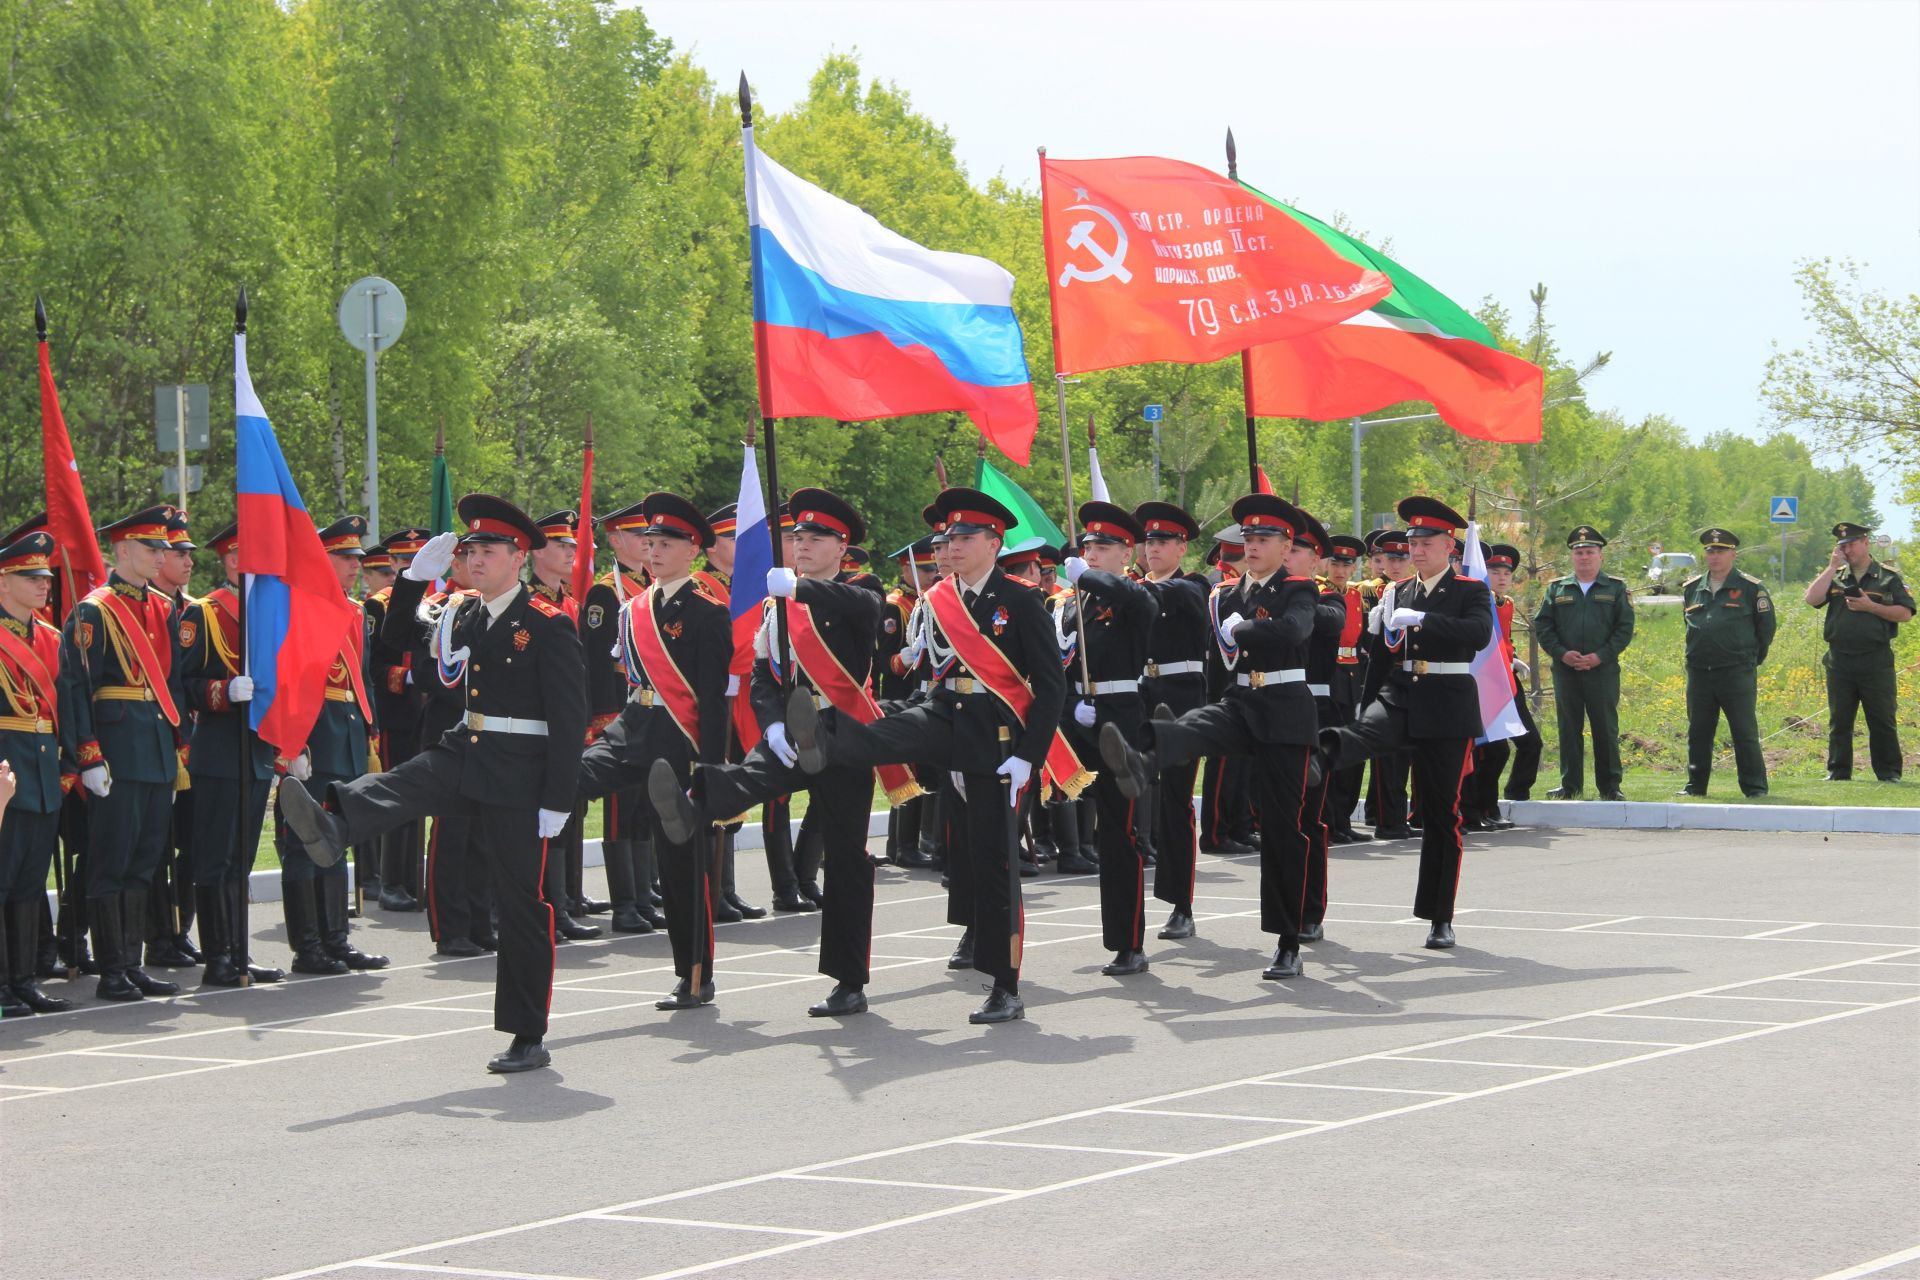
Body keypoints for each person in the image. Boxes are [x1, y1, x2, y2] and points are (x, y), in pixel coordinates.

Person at [278, 494, 587, 1074]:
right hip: (465, 746)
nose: (474, 559)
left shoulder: (546, 623)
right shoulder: (460, 612)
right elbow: (399, 643)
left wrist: (557, 799)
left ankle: (527, 1033)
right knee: (405, 781)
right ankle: (333, 823)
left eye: (488, 550)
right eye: (468, 550)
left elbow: (570, 717)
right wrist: (415, 581)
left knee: (520, 903)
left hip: (521, 769)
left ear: (518, 556)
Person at [781, 487, 1070, 1024]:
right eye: (947, 538)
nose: (951, 546)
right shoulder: (941, 598)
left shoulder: (1022, 599)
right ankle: (821, 740)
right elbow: (933, 672)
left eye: (963, 538)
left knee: (993, 862)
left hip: (995, 736)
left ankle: (1003, 985)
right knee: (879, 735)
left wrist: (1030, 756)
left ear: (992, 541)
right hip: (943, 715)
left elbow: (1051, 686)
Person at [653, 489, 907, 1016]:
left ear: (842, 547)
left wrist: (804, 589)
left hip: (844, 729)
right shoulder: (778, 599)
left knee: (845, 857)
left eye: (815, 538)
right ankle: (696, 801)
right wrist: (769, 725)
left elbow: (863, 608)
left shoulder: (861, 589)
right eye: (796, 537)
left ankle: (848, 979)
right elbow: (765, 674)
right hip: (791, 728)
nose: (803, 545)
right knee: (740, 779)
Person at [1100, 493, 1318, 981]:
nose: (1253, 545)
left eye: (1264, 538)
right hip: (1239, 701)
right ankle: (1144, 756)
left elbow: (1293, 632)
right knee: (1190, 728)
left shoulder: (1298, 588)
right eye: (1249, 538)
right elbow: (1219, 661)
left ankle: (1287, 940)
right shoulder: (1228, 594)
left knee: (1283, 830)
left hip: (1284, 710)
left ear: (1286, 546)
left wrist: (1247, 632)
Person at [568, 492, 731, 1011]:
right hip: (632, 724)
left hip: (678, 741)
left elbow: (714, 699)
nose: (653, 551)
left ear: (693, 551)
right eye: (649, 541)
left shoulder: (708, 613)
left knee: (681, 864)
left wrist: (709, 766)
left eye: (665, 543)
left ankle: (694, 973)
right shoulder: (634, 608)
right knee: (565, 780)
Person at [1308, 496, 1492, 950]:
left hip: (1447, 703)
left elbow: (1478, 635)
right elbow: (1384, 657)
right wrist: (1363, 705)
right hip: (1401, 694)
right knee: (1358, 737)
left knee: (1440, 814)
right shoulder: (1397, 591)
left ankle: (1440, 915)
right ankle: (1319, 756)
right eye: (1413, 542)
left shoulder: (1469, 589)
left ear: (1449, 545)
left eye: (1426, 542)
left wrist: (1426, 619)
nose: (1417, 550)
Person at [57, 504, 187, 1002]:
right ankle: (111, 967)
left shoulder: (163, 607)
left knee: (146, 858)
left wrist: (179, 747)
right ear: (123, 550)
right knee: (110, 858)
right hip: (115, 749)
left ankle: (131, 963)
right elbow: (75, 687)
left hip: (154, 749)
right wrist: (87, 755)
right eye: (153, 549)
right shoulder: (94, 610)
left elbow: (171, 685)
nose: (162, 556)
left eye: (164, 549)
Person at [276, 515, 388, 975]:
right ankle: (308, 946)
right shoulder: (298, 606)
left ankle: (336, 939)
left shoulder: (354, 611)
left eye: (357, 559)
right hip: (313, 735)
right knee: (304, 841)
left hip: (344, 733)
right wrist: (292, 741)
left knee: (336, 839)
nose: (354, 567)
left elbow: (362, 679)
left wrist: (370, 731)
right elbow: (288, 677)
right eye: (344, 558)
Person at [176, 522, 286, 988]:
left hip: (256, 750)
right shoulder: (202, 614)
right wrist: (222, 690)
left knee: (240, 858)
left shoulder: (268, 612)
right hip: (219, 751)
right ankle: (217, 955)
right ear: (232, 560)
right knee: (215, 857)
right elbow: (182, 685)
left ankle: (239, 951)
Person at [1053, 502, 1157, 975]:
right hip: (1077, 719)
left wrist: (1086, 575)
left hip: (1119, 722)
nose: (1092, 554)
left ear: (1125, 552)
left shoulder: (1132, 596)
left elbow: (1137, 602)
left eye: (1103, 547)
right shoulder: (1074, 605)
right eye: (1088, 546)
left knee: (1119, 832)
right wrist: (1068, 707)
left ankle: (1127, 940)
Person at [0, 531, 76, 1014]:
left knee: (29, 882)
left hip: (45, 772)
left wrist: (69, 768)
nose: (43, 584)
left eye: (45, 577)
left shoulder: (51, 637)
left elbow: (66, 709)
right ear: (4, 582)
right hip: (7, 768)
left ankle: (24, 980)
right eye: (31, 577)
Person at [583, 500, 661, 935]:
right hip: (619, 714)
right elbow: (597, 662)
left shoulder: (652, 589)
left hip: (650, 711)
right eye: (639, 537)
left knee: (643, 808)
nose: (649, 545)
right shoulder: (605, 593)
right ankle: (625, 904)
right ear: (615, 540)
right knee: (619, 810)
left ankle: (644, 896)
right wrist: (603, 719)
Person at [1134, 501, 1209, 938]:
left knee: (1175, 801)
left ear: (1182, 547)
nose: (1154, 547)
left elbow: (1184, 599)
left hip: (1181, 698)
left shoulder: (1194, 584)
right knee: (1136, 796)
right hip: (1142, 695)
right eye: (1149, 540)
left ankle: (1181, 902)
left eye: (1163, 541)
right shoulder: (1134, 586)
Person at [527, 509, 602, 943]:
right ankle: (546, 905)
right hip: (540, 726)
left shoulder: (570, 604)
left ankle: (563, 902)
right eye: (562, 545)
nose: (572, 552)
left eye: (574, 546)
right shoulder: (528, 602)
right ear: (537, 551)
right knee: (541, 819)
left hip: (571, 726)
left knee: (568, 817)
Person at [1805, 521, 1914, 782]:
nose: (1847, 549)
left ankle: (1888, 773)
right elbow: (1812, 599)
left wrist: (1871, 607)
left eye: (1851, 544)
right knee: (1839, 720)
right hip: (1840, 659)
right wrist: (1832, 567)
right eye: (1842, 545)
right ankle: (1838, 771)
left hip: (1875, 659)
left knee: (1881, 718)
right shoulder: (1837, 576)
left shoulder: (1887, 576)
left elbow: (1906, 612)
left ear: (1866, 543)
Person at [1533, 524, 1635, 800]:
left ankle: (1610, 786)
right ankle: (1570, 785)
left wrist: (1599, 656)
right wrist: (1562, 653)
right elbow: (1543, 626)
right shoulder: (1557, 588)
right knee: (1569, 728)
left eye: (1590, 552)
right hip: (1566, 671)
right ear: (1572, 557)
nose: (1584, 557)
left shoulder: (1615, 588)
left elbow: (1624, 629)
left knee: (1605, 728)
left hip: (1602, 671)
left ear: (1600, 556)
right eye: (1579, 553)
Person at [1679, 528, 1777, 798]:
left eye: (1721, 550)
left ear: (1733, 553)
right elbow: (1689, 627)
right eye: (1710, 551)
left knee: (1744, 731)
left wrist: (1750, 658)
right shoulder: (1692, 588)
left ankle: (1755, 788)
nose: (1715, 556)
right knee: (1698, 732)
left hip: (1736, 672)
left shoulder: (1750, 588)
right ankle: (1695, 786)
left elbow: (1766, 628)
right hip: (1700, 672)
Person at [364, 528, 432, 913]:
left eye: (415, 559)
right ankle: (391, 881)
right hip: (398, 713)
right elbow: (373, 667)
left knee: (421, 799)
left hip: (429, 712)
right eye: (403, 562)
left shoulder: (438, 603)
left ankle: (413, 878)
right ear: (392, 563)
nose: (409, 567)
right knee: (397, 798)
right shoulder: (378, 605)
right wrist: (407, 677)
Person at [1461, 543, 1535, 829]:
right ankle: (1481, 808)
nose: (1502, 577)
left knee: (1514, 745)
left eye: (1507, 572)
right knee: (1490, 750)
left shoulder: (1506, 603)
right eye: (1494, 571)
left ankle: (1489, 806)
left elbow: (1502, 640)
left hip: (1504, 676)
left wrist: (1513, 658)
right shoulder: (1481, 600)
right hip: (1484, 678)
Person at [1319, 535, 1373, 844]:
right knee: (1331, 750)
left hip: (1354, 675)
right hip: (1329, 675)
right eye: (1336, 563)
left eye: (1347, 564)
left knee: (1353, 751)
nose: (1340, 569)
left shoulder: (1355, 596)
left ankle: (1343, 818)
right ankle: (1328, 820)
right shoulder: (1319, 593)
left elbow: (1362, 638)